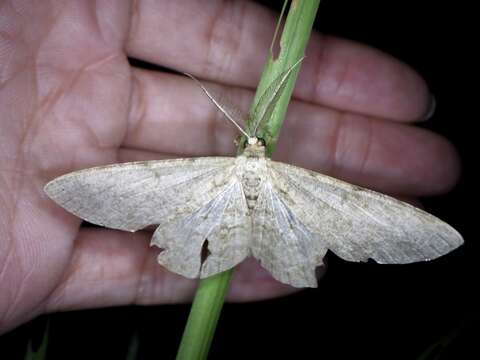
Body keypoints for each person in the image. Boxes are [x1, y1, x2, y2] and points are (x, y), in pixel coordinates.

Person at [0, 1, 460, 334]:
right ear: (255, 147)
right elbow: (97, 193)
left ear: (245, 147)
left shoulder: (229, 157)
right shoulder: (268, 155)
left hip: (219, 209)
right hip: (265, 212)